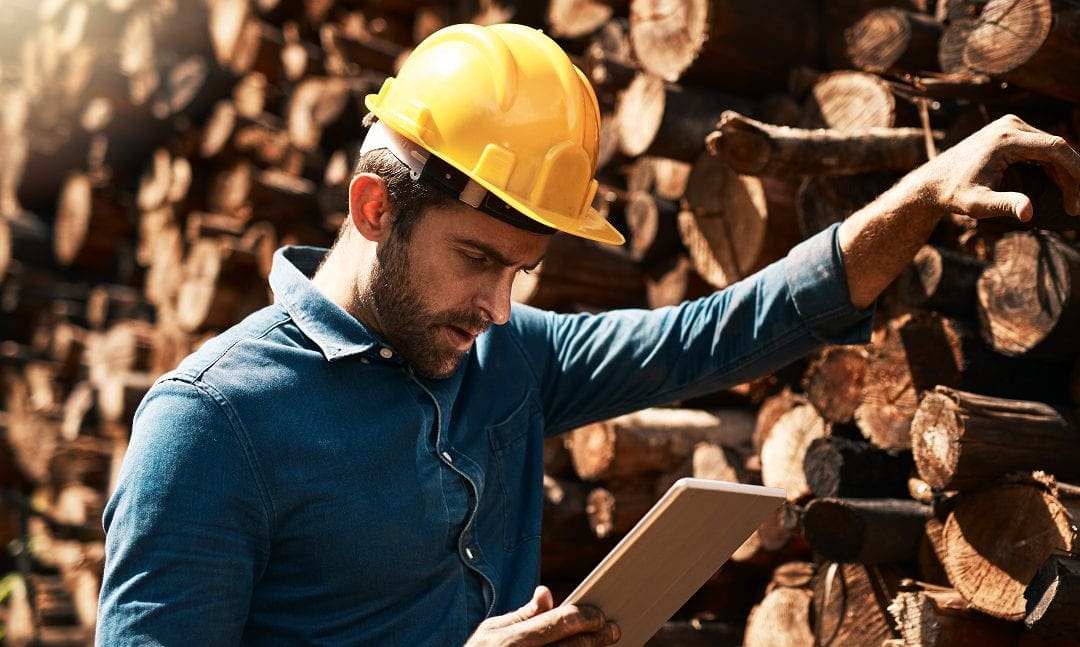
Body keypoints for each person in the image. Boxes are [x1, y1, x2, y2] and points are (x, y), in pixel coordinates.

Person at [95, 22, 1080, 646]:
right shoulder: (213, 426)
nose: (497, 305)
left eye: (520, 270)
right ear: (372, 207)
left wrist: (929, 186)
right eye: (479, 257)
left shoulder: (506, 354)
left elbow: (732, 325)